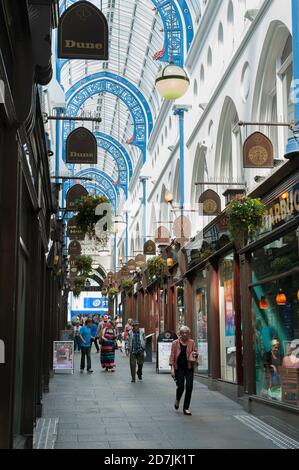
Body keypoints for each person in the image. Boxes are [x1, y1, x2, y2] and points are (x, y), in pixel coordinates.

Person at [169, 326, 197, 416]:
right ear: (180, 333)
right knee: (180, 387)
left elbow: (195, 352)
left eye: (186, 333)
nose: (184, 334)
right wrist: (172, 369)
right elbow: (172, 356)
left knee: (189, 386)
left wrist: (195, 354)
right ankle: (177, 399)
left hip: (189, 367)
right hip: (179, 368)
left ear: (188, 333)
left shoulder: (192, 342)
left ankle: (186, 408)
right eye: (183, 333)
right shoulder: (175, 343)